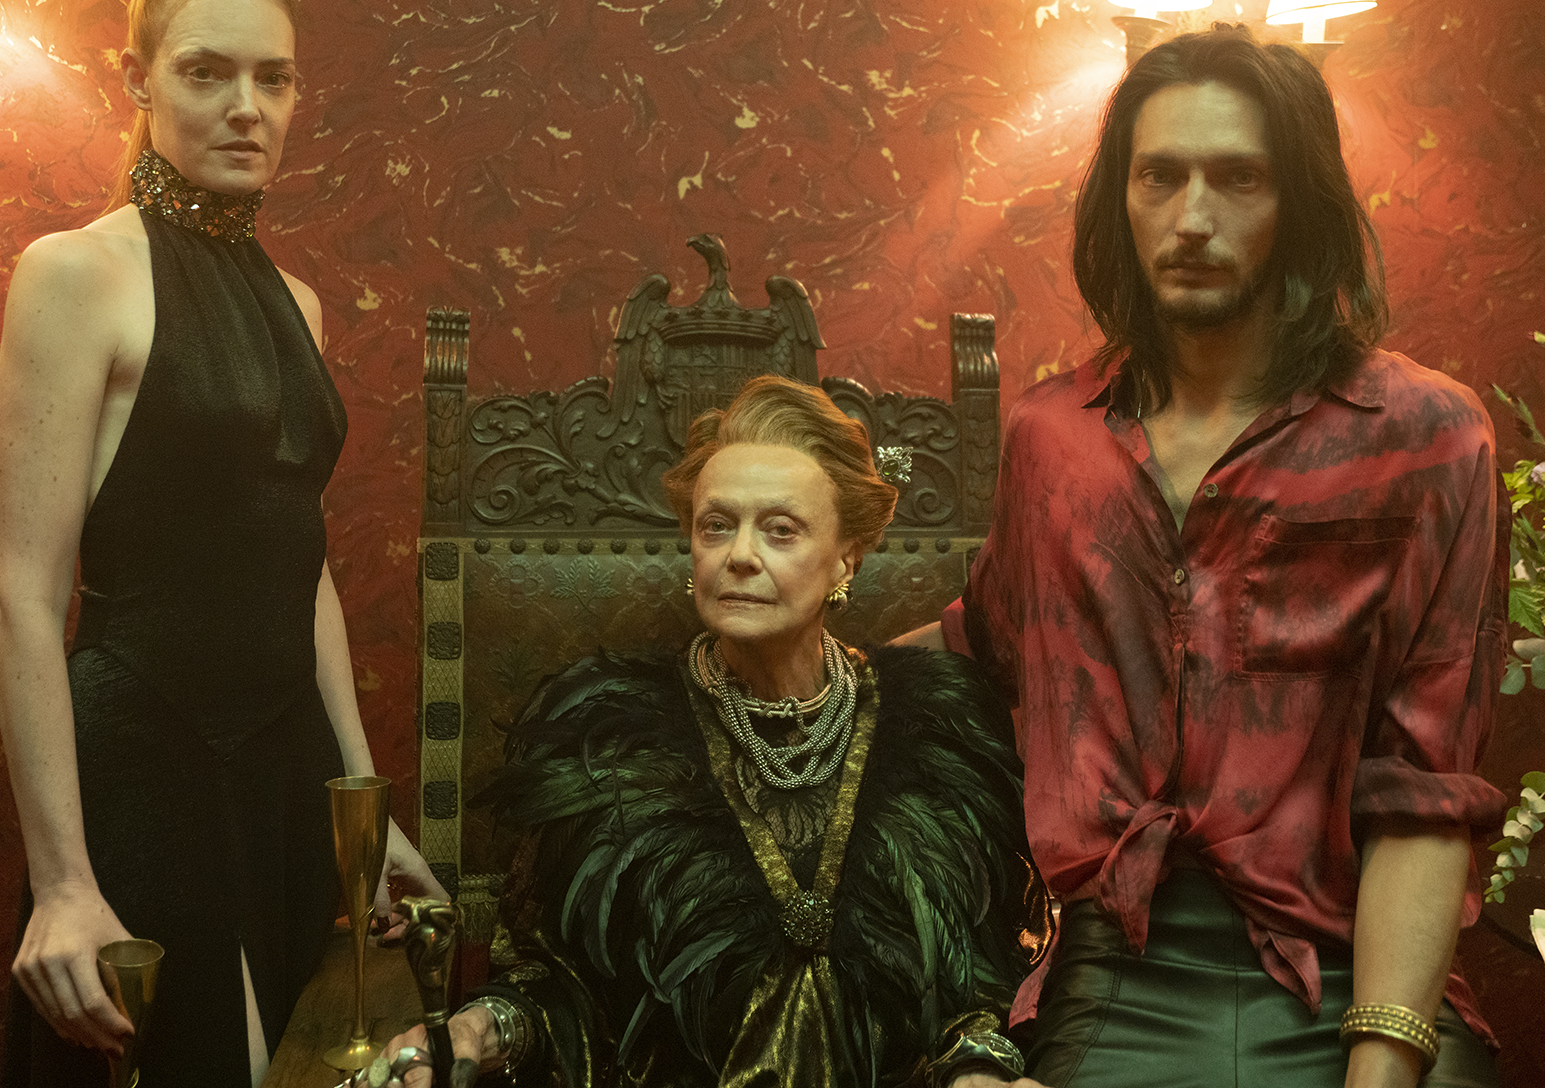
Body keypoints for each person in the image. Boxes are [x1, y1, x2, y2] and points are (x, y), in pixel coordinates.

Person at [910, 26, 1507, 1088]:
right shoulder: (1052, 439)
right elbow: (980, 651)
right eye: (1161, 176)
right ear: (1122, 200)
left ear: (1298, 203)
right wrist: (750, 673)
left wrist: (1379, 1067)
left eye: (1238, 178)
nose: (1192, 218)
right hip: (1119, 969)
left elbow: (1427, 792)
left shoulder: (1429, 437)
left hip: (1358, 968)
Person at [0, 0, 442, 1087]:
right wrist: (63, 881)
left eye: (273, 79)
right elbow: (20, 596)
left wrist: (362, 813)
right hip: (147, 761)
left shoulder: (298, 304)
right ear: (136, 79)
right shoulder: (74, 273)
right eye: (207, 72)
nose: (249, 106)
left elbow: (303, 567)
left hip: (287, 768)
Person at [360, 374, 1047, 1088]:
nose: (739, 554)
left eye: (780, 530)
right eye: (717, 525)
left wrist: (979, 1069)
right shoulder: (607, 737)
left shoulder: (935, 729)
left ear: (846, 558)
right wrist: (482, 1027)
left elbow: (969, 986)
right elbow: (555, 982)